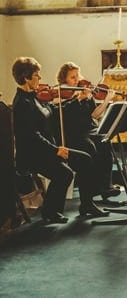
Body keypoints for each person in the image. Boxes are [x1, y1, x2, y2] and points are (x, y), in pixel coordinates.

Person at [11, 57, 107, 223]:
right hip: (33, 155)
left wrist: (77, 100)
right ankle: (50, 212)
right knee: (64, 173)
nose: (40, 79)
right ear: (26, 77)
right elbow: (32, 136)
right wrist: (55, 149)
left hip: (45, 150)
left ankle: (86, 205)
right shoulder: (22, 103)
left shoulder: (34, 97)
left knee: (85, 159)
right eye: (36, 75)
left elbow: (55, 110)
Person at [54, 62, 120, 202]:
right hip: (76, 133)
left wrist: (107, 100)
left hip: (90, 129)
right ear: (64, 80)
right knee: (93, 146)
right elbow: (67, 117)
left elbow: (94, 115)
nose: (77, 80)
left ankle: (105, 186)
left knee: (105, 141)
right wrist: (79, 98)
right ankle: (96, 189)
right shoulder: (63, 95)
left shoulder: (85, 92)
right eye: (72, 77)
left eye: (77, 75)